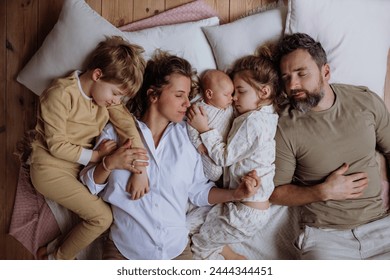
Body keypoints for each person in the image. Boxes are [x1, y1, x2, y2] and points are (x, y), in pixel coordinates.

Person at [79, 51, 261, 260]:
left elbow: (198, 192)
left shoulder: (188, 138)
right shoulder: (116, 131)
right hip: (124, 251)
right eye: (178, 95)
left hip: (176, 251)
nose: (187, 103)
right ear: (153, 95)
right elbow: (89, 185)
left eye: (187, 95)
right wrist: (109, 164)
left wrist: (235, 195)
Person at [270, 32, 390, 259]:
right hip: (327, 238)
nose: (292, 85)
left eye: (301, 74)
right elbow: (275, 193)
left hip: (382, 228)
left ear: (325, 72)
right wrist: (322, 191)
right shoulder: (284, 126)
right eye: (286, 78)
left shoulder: (364, 101)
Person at [30, 36, 149, 260]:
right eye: (116, 94)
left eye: (120, 97)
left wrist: (140, 167)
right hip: (49, 168)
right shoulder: (60, 94)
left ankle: (54, 248)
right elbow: (56, 146)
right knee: (102, 218)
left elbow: (127, 126)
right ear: (97, 75)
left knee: (111, 210)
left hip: (76, 170)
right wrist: (97, 156)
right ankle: (56, 260)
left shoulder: (104, 98)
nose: (116, 102)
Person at [187, 45, 280, 260]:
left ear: (264, 91)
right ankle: (230, 254)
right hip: (241, 205)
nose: (234, 99)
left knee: (199, 248)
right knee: (194, 226)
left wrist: (204, 129)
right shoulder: (266, 116)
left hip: (245, 212)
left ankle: (233, 261)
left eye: (240, 91)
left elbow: (223, 158)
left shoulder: (254, 122)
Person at [186, 69, 235, 182]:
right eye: (226, 95)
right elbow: (191, 127)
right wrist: (198, 144)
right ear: (209, 94)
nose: (231, 98)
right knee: (215, 172)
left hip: (225, 149)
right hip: (207, 149)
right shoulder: (200, 108)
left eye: (231, 94)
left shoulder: (229, 108)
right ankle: (214, 182)